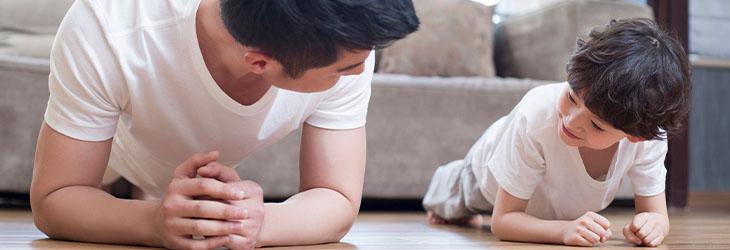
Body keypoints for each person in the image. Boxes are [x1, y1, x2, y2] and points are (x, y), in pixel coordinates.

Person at [30, 0, 418, 249]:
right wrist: (152, 222)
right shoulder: (107, 30)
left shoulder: (345, 44)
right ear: (259, 64)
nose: (360, 71)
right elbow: (55, 198)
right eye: (346, 69)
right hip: (122, 142)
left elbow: (336, 197)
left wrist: (257, 221)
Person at [422, 18, 690, 247]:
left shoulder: (647, 139)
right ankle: (444, 179)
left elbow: (657, 216)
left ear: (635, 135)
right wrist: (564, 231)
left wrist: (652, 225)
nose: (571, 121)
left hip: (549, 203)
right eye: (571, 97)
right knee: (448, 202)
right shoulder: (536, 115)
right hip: (486, 176)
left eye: (596, 125)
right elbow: (502, 222)